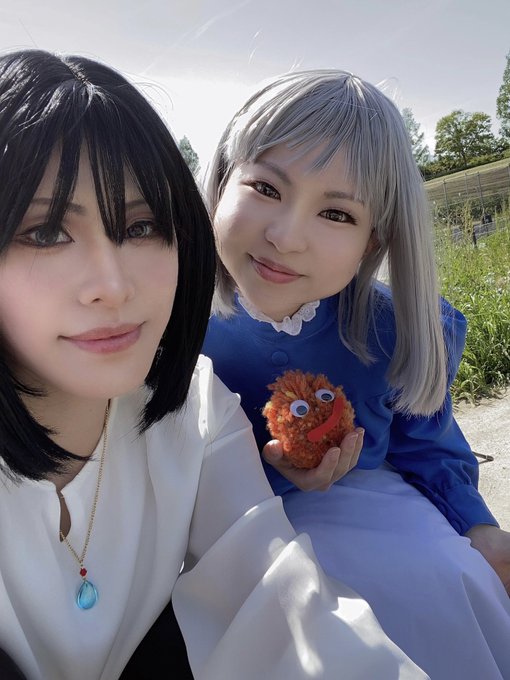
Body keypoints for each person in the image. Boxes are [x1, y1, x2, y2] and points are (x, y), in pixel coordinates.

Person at [0, 50, 433, 680]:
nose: (113, 286)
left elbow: (278, 600)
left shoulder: (197, 409)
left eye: (141, 226)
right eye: (46, 233)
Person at [202, 69, 510, 680]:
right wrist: (263, 470)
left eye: (336, 213)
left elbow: (428, 444)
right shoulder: (168, 324)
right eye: (265, 187)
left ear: (374, 241)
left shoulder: (396, 329)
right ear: (220, 182)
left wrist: (479, 526)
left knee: (447, 581)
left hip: (377, 508)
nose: (286, 237)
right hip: (226, 530)